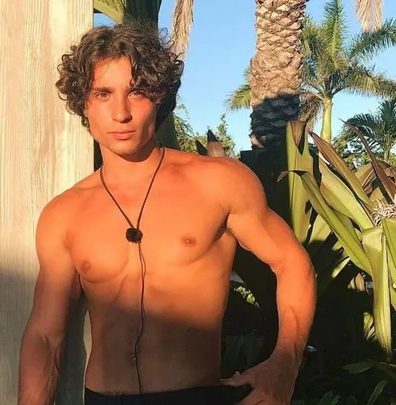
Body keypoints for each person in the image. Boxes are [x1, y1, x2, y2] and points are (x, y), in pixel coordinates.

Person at [17, 21, 316, 405]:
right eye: (103, 94)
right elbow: (45, 334)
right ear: (83, 103)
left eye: (136, 92)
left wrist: (285, 364)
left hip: (196, 394)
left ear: (158, 97)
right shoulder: (64, 214)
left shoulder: (218, 182)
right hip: (103, 398)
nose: (121, 113)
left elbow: (292, 263)